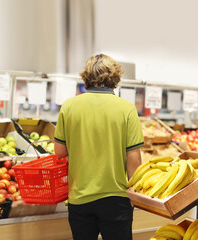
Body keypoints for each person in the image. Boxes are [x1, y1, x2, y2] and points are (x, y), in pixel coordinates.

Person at [54, 53, 144, 240]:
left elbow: (60, 152)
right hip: (116, 198)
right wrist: (135, 196)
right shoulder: (126, 108)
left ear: (86, 77)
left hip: (80, 197)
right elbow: (133, 159)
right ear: (115, 77)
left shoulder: (69, 106)